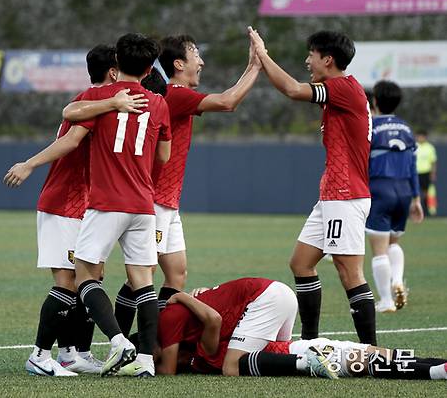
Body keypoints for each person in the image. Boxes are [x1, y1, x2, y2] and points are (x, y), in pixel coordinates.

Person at [64, 33, 262, 338]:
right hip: (152, 200)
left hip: (167, 202)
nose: (202, 61)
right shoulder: (175, 94)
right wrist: (255, 66)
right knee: (140, 278)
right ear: (179, 63)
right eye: (196, 54)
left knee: (177, 274)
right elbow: (227, 101)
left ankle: (145, 341)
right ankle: (123, 342)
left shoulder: (172, 96)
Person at [6, 33, 171, 377]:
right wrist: (29, 164)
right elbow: (71, 131)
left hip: (96, 203)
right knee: (77, 279)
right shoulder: (111, 101)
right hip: (76, 202)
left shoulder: (101, 100)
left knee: (89, 276)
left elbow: (73, 125)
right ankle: (52, 353)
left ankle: (74, 352)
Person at [249, 27, 377, 345]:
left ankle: (371, 352)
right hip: (333, 195)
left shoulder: (343, 88)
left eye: (312, 55)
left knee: (350, 273)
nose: (308, 60)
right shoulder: (340, 90)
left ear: (328, 60)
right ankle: (310, 342)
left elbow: (292, 90)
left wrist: (262, 57)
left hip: (345, 195)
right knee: (301, 263)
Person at [154, 277, 337, 379]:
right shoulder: (186, 329)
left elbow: (168, 370)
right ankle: (344, 352)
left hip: (264, 298)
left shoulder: (167, 319)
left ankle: (307, 362)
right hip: (278, 293)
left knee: (231, 367)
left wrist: (181, 296)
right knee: (280, 351)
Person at [365, 80, 423, 313]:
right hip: (405, 190)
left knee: (379, 249)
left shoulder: (369, 126)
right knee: (393, 242)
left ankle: (386, 301)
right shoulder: (407, 129)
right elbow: (413, 165)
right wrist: (417, 199)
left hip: (380, 188)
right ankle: (398, 280)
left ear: (375, 101)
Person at [265, 337, 447, 380]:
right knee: (381, 356)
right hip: (306, 345)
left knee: (376, 359)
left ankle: (438, 371)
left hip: (301, 348)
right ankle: (440, 369)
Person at [415, 129, 438, 216]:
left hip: (426, 173)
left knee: (426, 193)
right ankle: (415, 211)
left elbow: (433, 162)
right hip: (416, 173)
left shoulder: (430, 147)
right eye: (418, 136)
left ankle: (426, 210)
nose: (420, 138)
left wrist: (433, 173)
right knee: (415, 193)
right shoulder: (414, 146)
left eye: (422, 136)